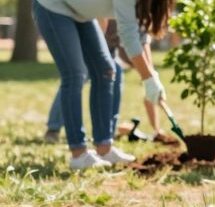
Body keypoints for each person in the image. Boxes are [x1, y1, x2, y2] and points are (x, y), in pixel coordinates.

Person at [33, 0, 187, 169]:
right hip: (52, 2)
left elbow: (141, 33)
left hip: (78, 12)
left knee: (106, 70)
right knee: (75, 74)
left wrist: (152, 76)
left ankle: (104, 148)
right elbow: (127, 33)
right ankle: (79, 154)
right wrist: (146, 77)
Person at [43, 19, 178, 146]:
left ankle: (108, 132)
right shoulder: (131, 10)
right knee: (76, 79)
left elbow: (147, 69)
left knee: (117, 76)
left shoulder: (142, 27)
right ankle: (53, 130)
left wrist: (151, 83)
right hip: (88, 43)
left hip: (109, 50)